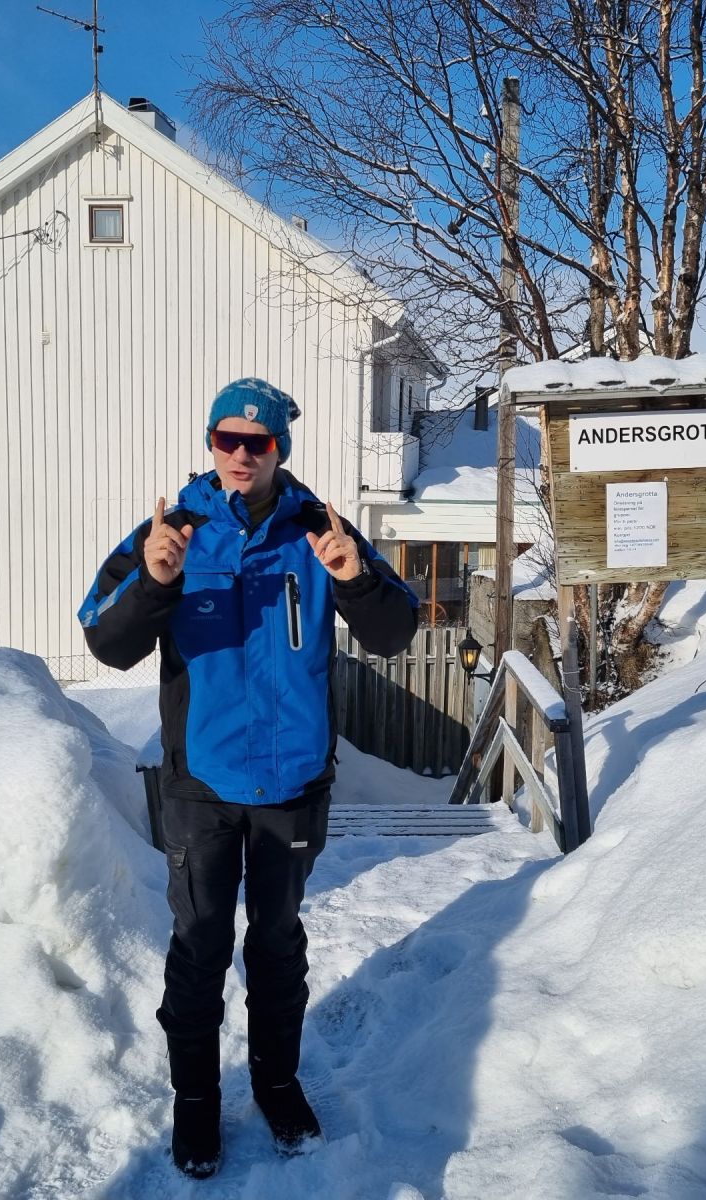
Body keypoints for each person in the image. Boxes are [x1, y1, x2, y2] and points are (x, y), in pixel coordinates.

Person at [78, 377, 418, 1178]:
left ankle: (276, 1084)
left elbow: (394, 632)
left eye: (255, 442)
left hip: (292, 786)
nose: (239, 454)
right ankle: (196, 1100)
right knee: (199, 946)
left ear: (278, 450)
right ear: (211, 444)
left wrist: (354, 578)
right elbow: (105, 642)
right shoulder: (172, 531)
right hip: (201, 785)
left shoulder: (319, 528)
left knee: (276, 944)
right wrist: (155, 582)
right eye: (226, 439)